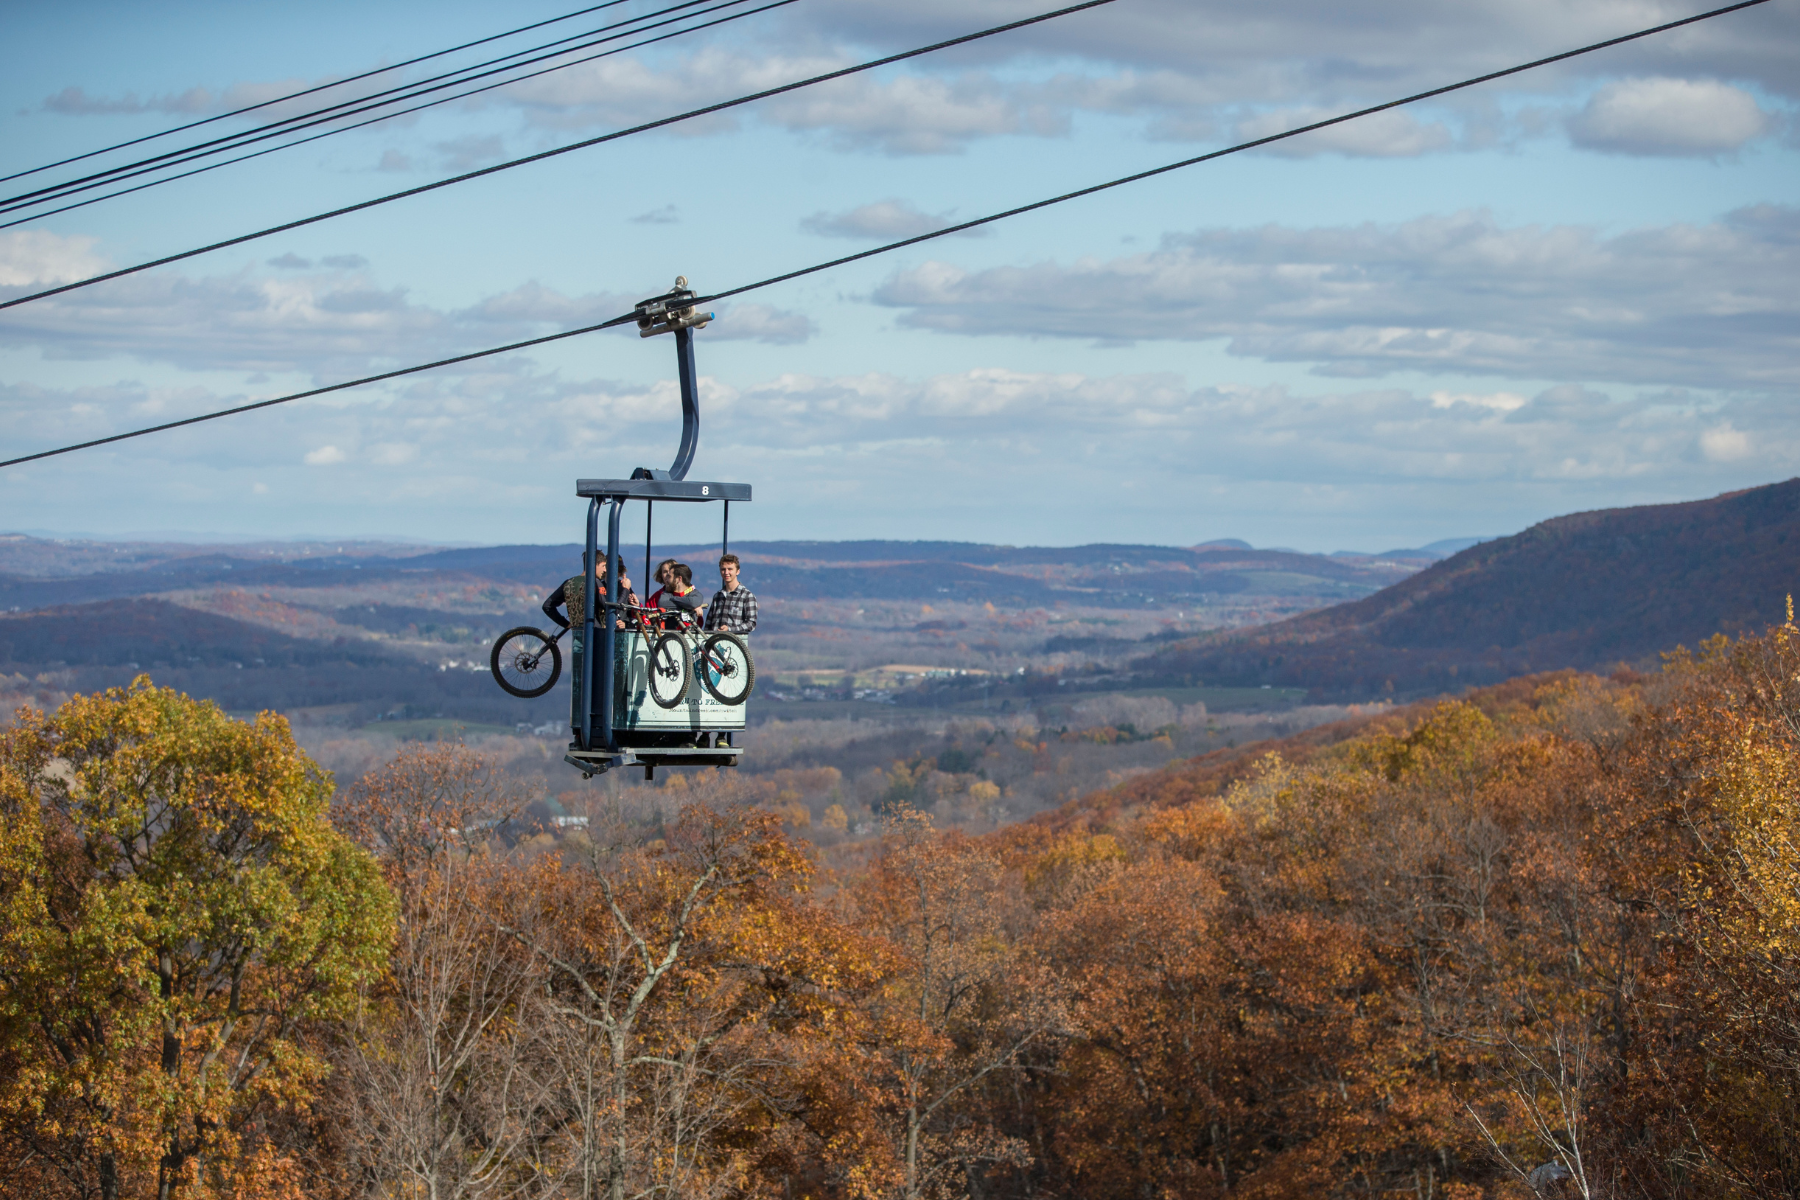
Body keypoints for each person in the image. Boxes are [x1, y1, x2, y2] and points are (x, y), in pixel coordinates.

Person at [705, 552, 757, 635]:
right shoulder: (717, 596)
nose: (726, 572)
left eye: (730, 569)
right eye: (723, 569)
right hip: (714, 643)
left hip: (735, 644)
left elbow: (751, 624)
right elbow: (708, 624)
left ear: (737, 571)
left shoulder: (747, 596)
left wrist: (730, 629)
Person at [656, 562, 706, 629]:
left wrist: (673, 599)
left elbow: (693, 602)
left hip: (691, 636)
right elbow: (662, 603)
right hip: (672, 636)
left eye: (669, 577)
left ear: (679, 579)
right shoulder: (667, 593)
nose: (666, 580)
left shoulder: (695, 594)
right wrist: (689, 606)